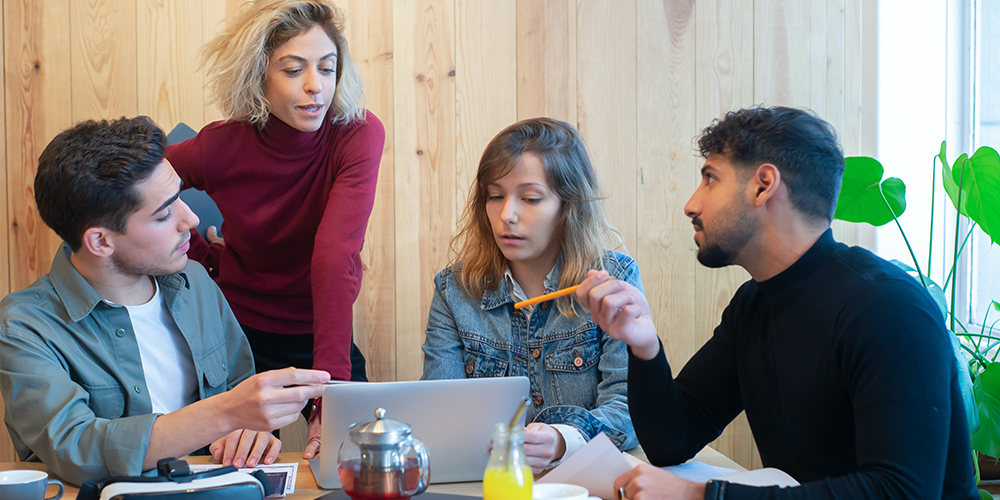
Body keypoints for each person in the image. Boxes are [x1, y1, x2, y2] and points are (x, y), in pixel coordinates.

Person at [575, 106, 978, 499]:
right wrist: (644, 345)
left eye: (710, 179)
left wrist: (702, 494)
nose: (691, 205)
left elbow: (900, 491)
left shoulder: (888, 308)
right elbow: (672, 440)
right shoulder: (754, 304)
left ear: (764, 185)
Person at [0, 116, 330, 485]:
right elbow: (76, 449)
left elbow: (241, 388)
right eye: (164, 213)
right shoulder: (24, 326)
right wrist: (226, 414)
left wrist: (248, 432)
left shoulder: (195, 281)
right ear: (101, 242)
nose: (189, 219)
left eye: (180, 199)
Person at [164, 0, 385, 457]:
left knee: (361, 460)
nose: (315, 87)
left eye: (327, 68)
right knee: (242, 473)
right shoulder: (221, 145)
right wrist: (201, 257)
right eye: (293, 69)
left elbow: (333, 252)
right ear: (258, 75)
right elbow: (145, 186)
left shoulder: (357, 134)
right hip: (237, 335)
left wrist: (332, 393)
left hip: (321, 332)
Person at [421, 118, 639, 473]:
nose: (507, 215)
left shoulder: (613, 280)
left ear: (569, 206)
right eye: (495, 196)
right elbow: (441, 408)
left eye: (530, 198)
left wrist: (561, 439)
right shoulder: (453, 289)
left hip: (582, 484)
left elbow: (630, 408)